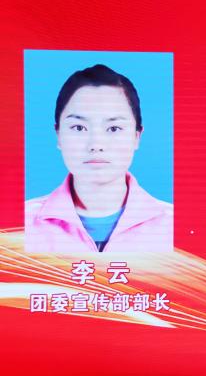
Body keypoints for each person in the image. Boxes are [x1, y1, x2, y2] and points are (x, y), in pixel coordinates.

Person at [25, 64, 173, 253]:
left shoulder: (173, 224)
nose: (96, 144)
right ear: (58, 135)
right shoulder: (19, 224)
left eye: (114, 128)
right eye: (79, 128)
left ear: (137, 137)